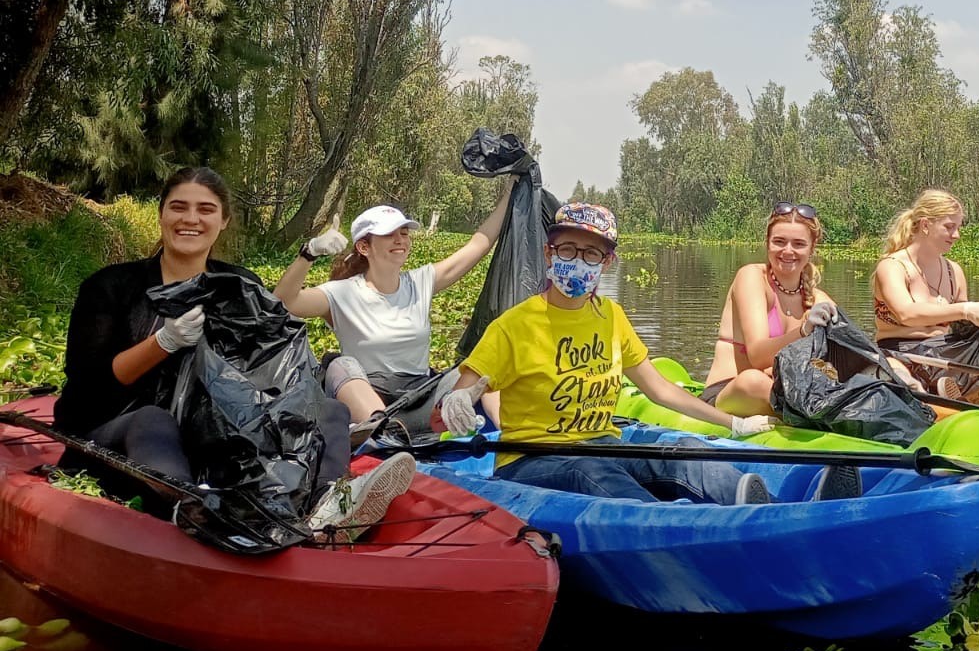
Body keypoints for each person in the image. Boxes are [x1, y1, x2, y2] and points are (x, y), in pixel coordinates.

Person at [55, 167, 413, 544]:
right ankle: (195, 511)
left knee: (329, 411)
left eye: (205, 210)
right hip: (124, 432)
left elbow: (268, 346)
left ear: (223, 220)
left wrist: (307, 256)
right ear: (162, 214)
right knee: (152, 420)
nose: (191, 219)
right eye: (179, 207)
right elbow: (91, 380)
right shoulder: (111, 287)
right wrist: (163, 342)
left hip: (213, 434)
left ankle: (328, 509)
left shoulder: (239, 283)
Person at [436, 202, 859, 504]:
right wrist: (459, 397)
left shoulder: (611, 316)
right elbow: (468, 386)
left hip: (602, 441)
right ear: (549, 253)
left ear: (607, 261)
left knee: (679, 453)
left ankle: (777, 505)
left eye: (591, 254)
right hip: (532, 458)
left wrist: (732, 423)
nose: (577, 262)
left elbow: (659, 390)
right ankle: (675, 523)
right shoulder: (515, 324)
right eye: (567, 250)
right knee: (591, 472)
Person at [273, 184, 512, 434]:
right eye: (389, 234)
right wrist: (309, 253)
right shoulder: (342, 292)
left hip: (421, 398)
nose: (400, 239)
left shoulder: (422, 282)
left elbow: (477, 246)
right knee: (340, 365)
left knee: (481, 371)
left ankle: (512, 437)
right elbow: (282, 303)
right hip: (367, 405)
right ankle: (385, 437)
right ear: (364, 247)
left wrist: (510, 191)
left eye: (404, 233)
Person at [702, 203, 839, 417]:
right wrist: (804, 330)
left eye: (799, 244)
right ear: (767, 243)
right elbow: (757, 356)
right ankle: (813, 414)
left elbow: (846, 353)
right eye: (779, 242)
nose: (788, 251)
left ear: (812, 249)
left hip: (786, 394)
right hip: (733, 393)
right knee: (753, 380)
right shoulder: (752, 277)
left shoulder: (818, 299)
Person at [871, 188, 979, 392]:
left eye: (958, 227)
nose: (956, 235)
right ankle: (924, 392)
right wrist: (965, 309)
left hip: (944, 353)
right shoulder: (892, 266)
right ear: (926, 225)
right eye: (949, 227)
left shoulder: (954, 272)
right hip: (899, 354)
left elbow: (962, 329)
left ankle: (962, 390)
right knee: (901, 376)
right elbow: (906, 314)